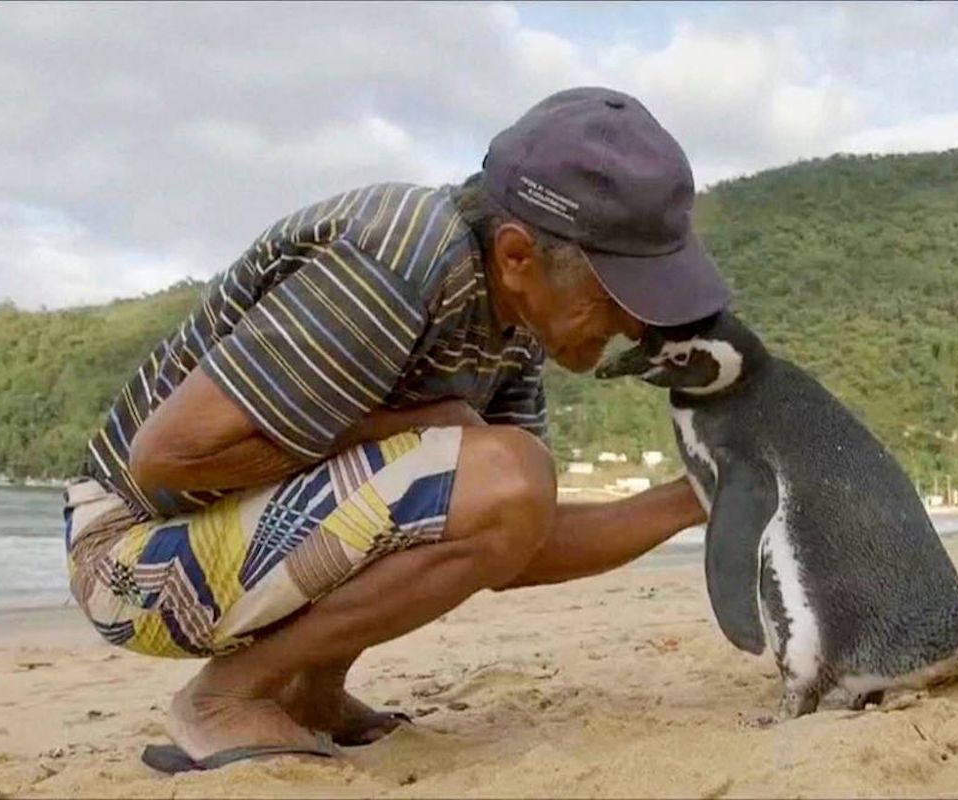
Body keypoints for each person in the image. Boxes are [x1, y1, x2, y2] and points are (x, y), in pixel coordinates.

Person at [62, 87, 730, 770]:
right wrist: (420, 423)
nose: (637, 323)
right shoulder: (398, 255)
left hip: (219, 543)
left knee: (507, 473)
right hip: (128, 557)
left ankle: (308, 691)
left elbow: (511, 537)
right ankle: (227, 696)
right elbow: (165, 462)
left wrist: (693, 496)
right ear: (517, 255)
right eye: (620, 294)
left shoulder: (514, 328)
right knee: (502, 467)